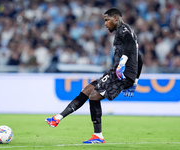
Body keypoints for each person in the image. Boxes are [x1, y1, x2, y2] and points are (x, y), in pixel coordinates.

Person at [45, 7, 143, 144]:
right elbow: (139, 57)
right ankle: (58, 117)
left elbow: (130, 43)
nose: (105, 23)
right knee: (87, 90)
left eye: (107, 20)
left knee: (94, 96)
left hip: (121, 73)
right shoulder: (124, 33)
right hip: (118, 72)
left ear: (116, 18)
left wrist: (123, 63)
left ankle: (98, 135)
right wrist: (135, 81)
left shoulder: (124, 30)